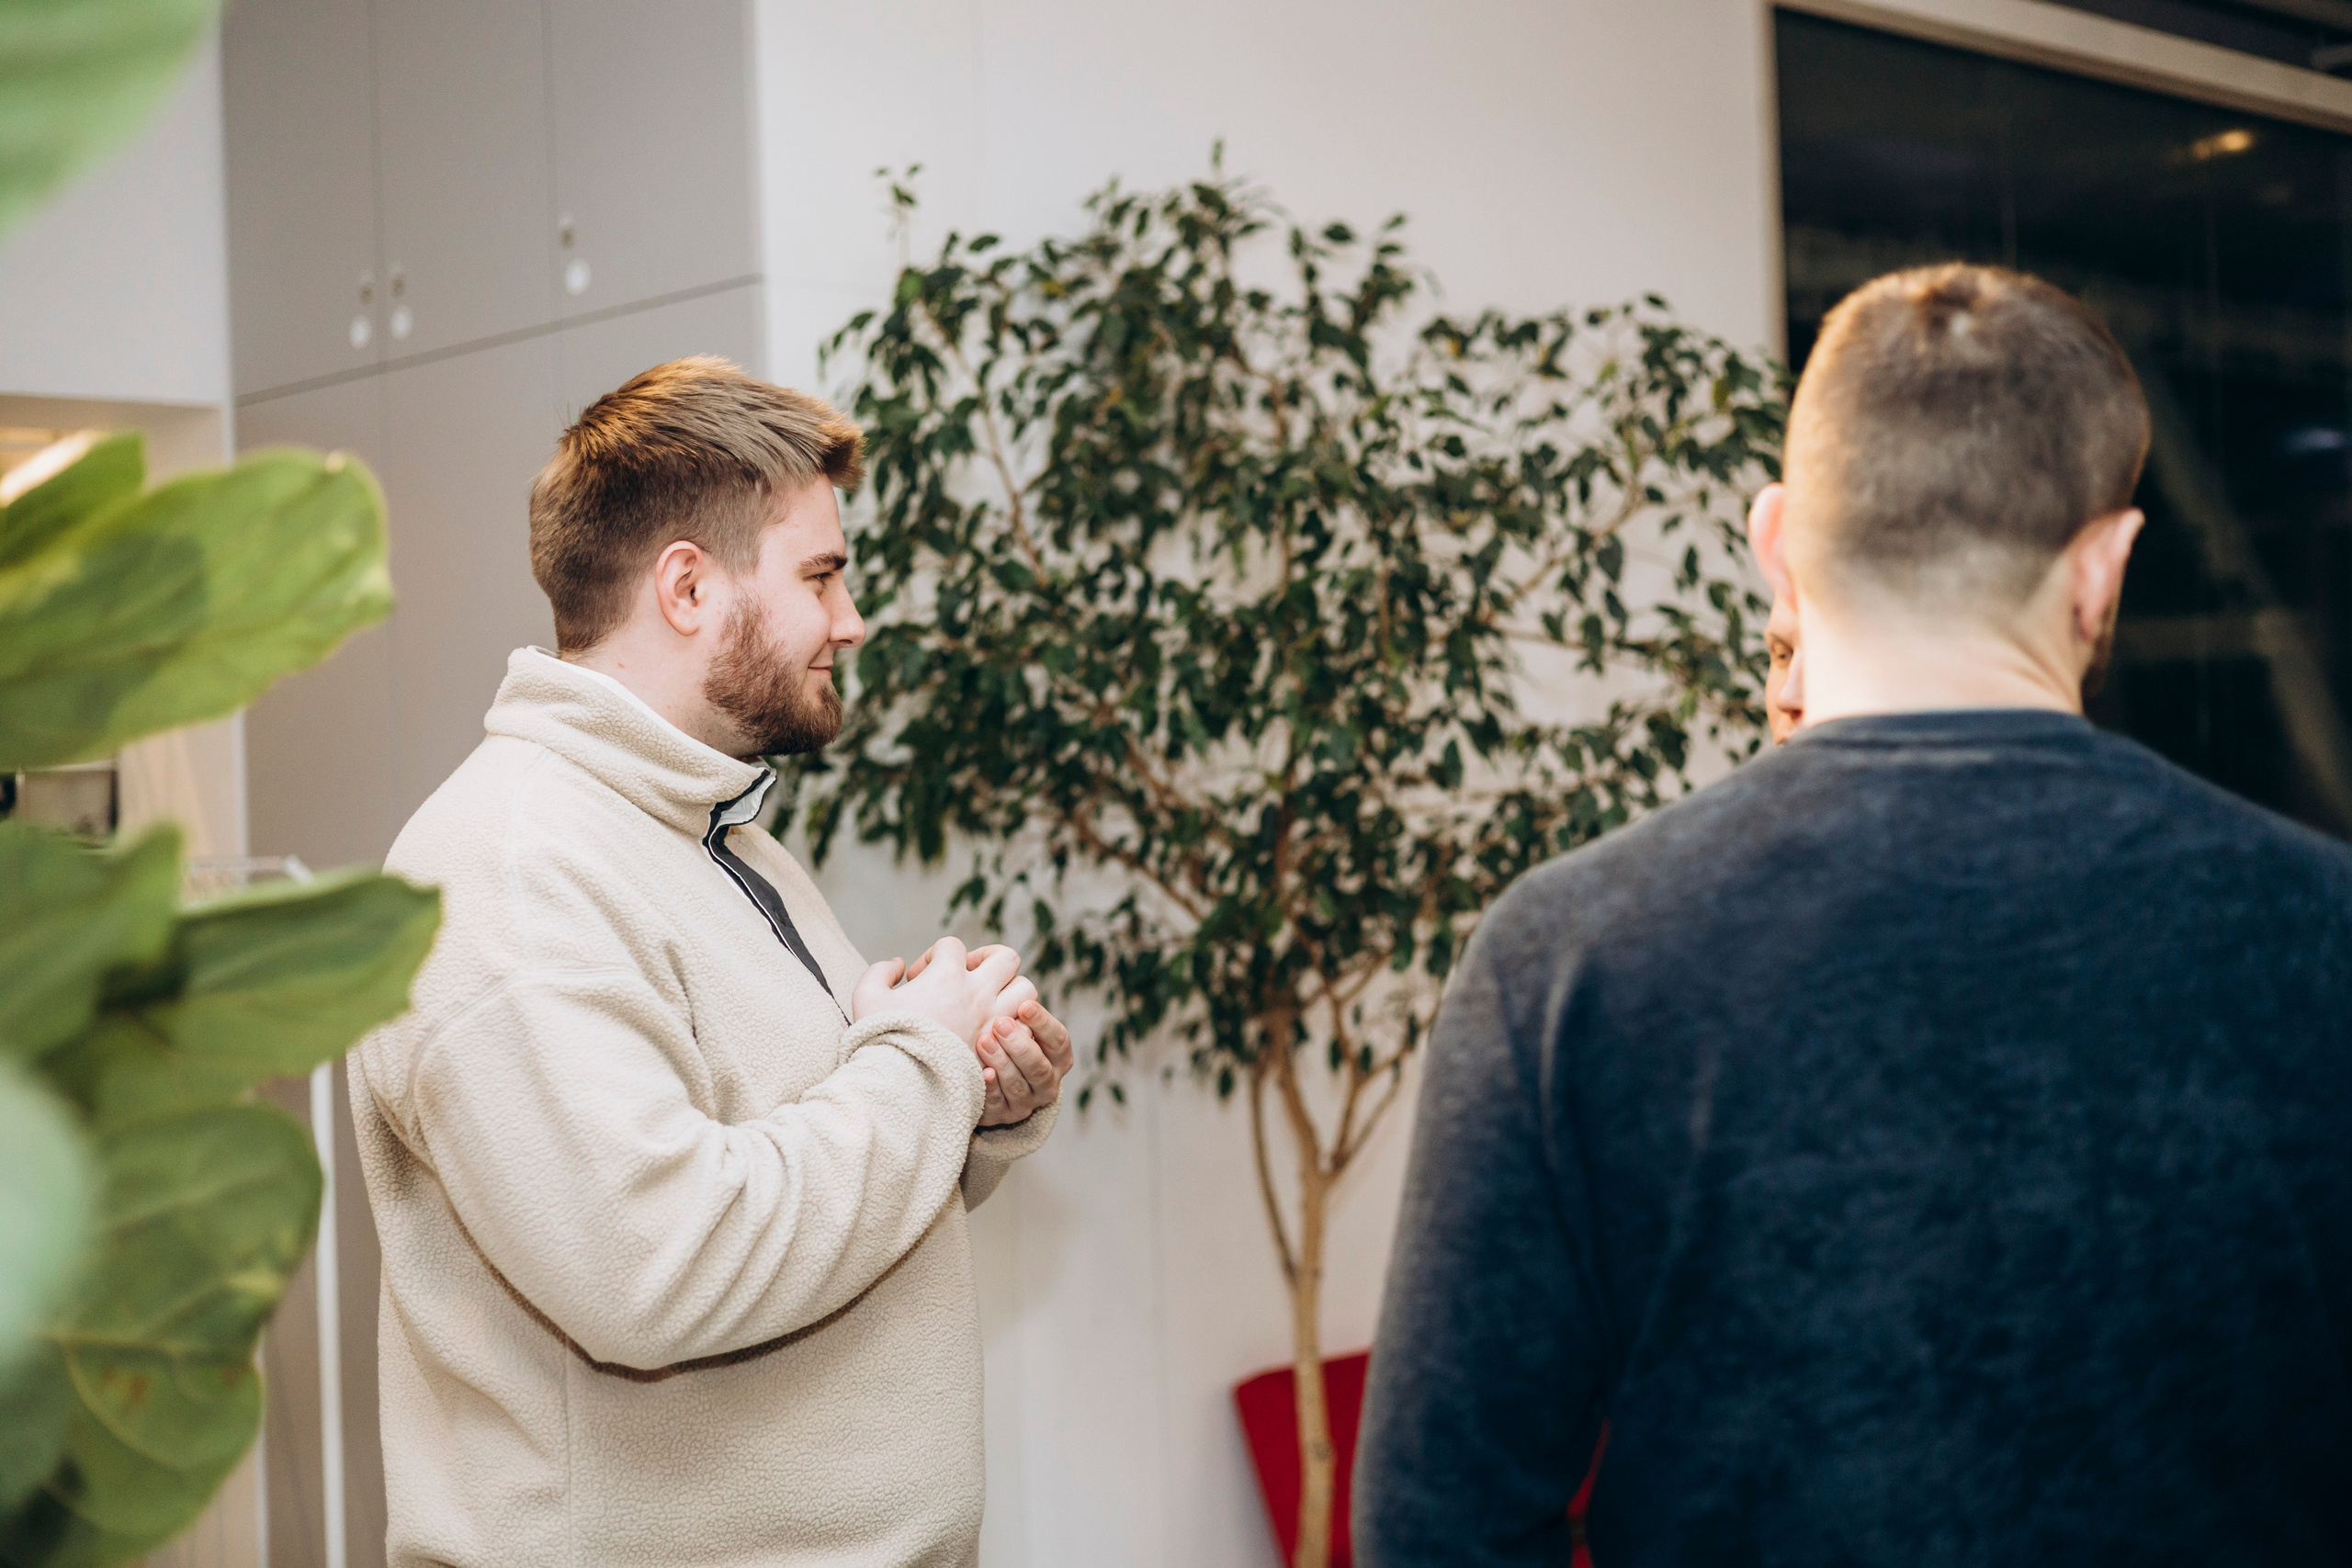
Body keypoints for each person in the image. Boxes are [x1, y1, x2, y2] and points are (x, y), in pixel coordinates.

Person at [1355, 264, 2352, 1564]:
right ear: (2105, 568)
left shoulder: (1566, 958)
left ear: (1777, 539)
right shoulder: (2323, 934)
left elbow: (1443, 1526)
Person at [348, 357, 1069, 1567]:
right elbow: (664, 1267)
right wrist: (918, 1057)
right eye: (822, 577)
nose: (852, 619)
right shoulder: (508, 872)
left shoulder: (718, 834)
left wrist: (973, 1100)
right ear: (688, 587)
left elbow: (811, 1173)